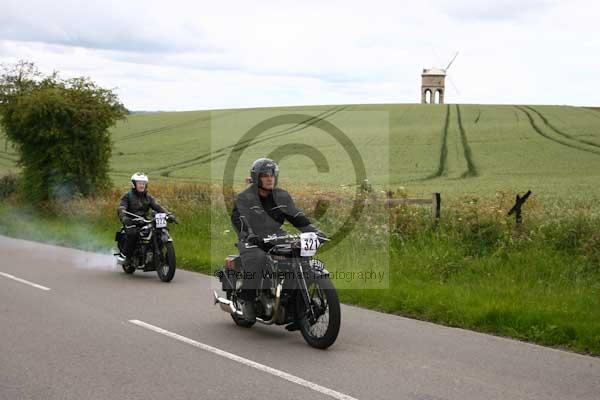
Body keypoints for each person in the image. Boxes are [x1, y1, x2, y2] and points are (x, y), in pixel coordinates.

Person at [231, 158, 325, 323]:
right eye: (265, 175)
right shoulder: (245, 198)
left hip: (276, 234)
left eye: (272, 175)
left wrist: (314, 231)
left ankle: (291, 300)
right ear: (256, 177)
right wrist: (250, 234)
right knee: (258, 258)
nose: (270, 178)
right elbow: (240, 219)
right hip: (252, 238)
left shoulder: (281, 196)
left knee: (299, 256)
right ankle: (248, 300)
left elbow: (296, 216)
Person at [116, 172, 175, 264]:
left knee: (158, 231)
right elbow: (121, 208)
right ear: (134, 184)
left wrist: (168, 214)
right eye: (139, 183)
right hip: (131, 221)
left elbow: (157, 206)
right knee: (133, 233)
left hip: (144, 221)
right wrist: (124, 218)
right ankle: (124, 256)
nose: (142, 185)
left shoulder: (148, 197)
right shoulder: (127, 196)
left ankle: (160, 255)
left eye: (143, 183)